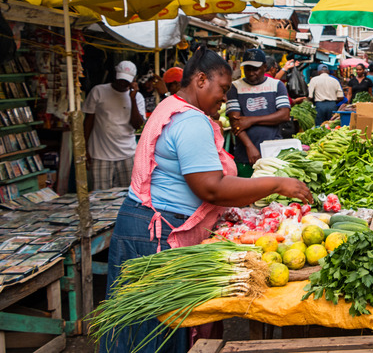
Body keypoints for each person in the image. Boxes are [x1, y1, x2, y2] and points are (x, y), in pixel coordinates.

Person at [101, 47, 312, 353]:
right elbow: (211, 188)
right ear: (200, 80)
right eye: (223, 89)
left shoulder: (172, 106)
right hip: (155, 235)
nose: (225, 98)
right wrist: (277, 184)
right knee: (149, 333)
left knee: (140, 328)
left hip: (143, 225)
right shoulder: (190, 122)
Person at [226, 49, 291, 177]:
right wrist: (250, 147)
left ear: (265, 67)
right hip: (245, 156)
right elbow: (235, 122)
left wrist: (250, 120)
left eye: (255, 69)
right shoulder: (235, 87)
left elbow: (284, 115)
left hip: (273, 153)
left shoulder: (277, 85)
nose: (251, 73)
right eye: (247, 69)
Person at [83, 60, 146, 190]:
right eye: (121, 79)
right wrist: (85, 148)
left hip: (127, 153)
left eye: (127, 81)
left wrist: (132, 99)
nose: (123, 83)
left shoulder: (138, 97)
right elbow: (88, 121)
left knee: (130, 194)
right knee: (99, 195)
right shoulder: (98, 91)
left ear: (134, 80)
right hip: (100, 154)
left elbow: (137, 125)